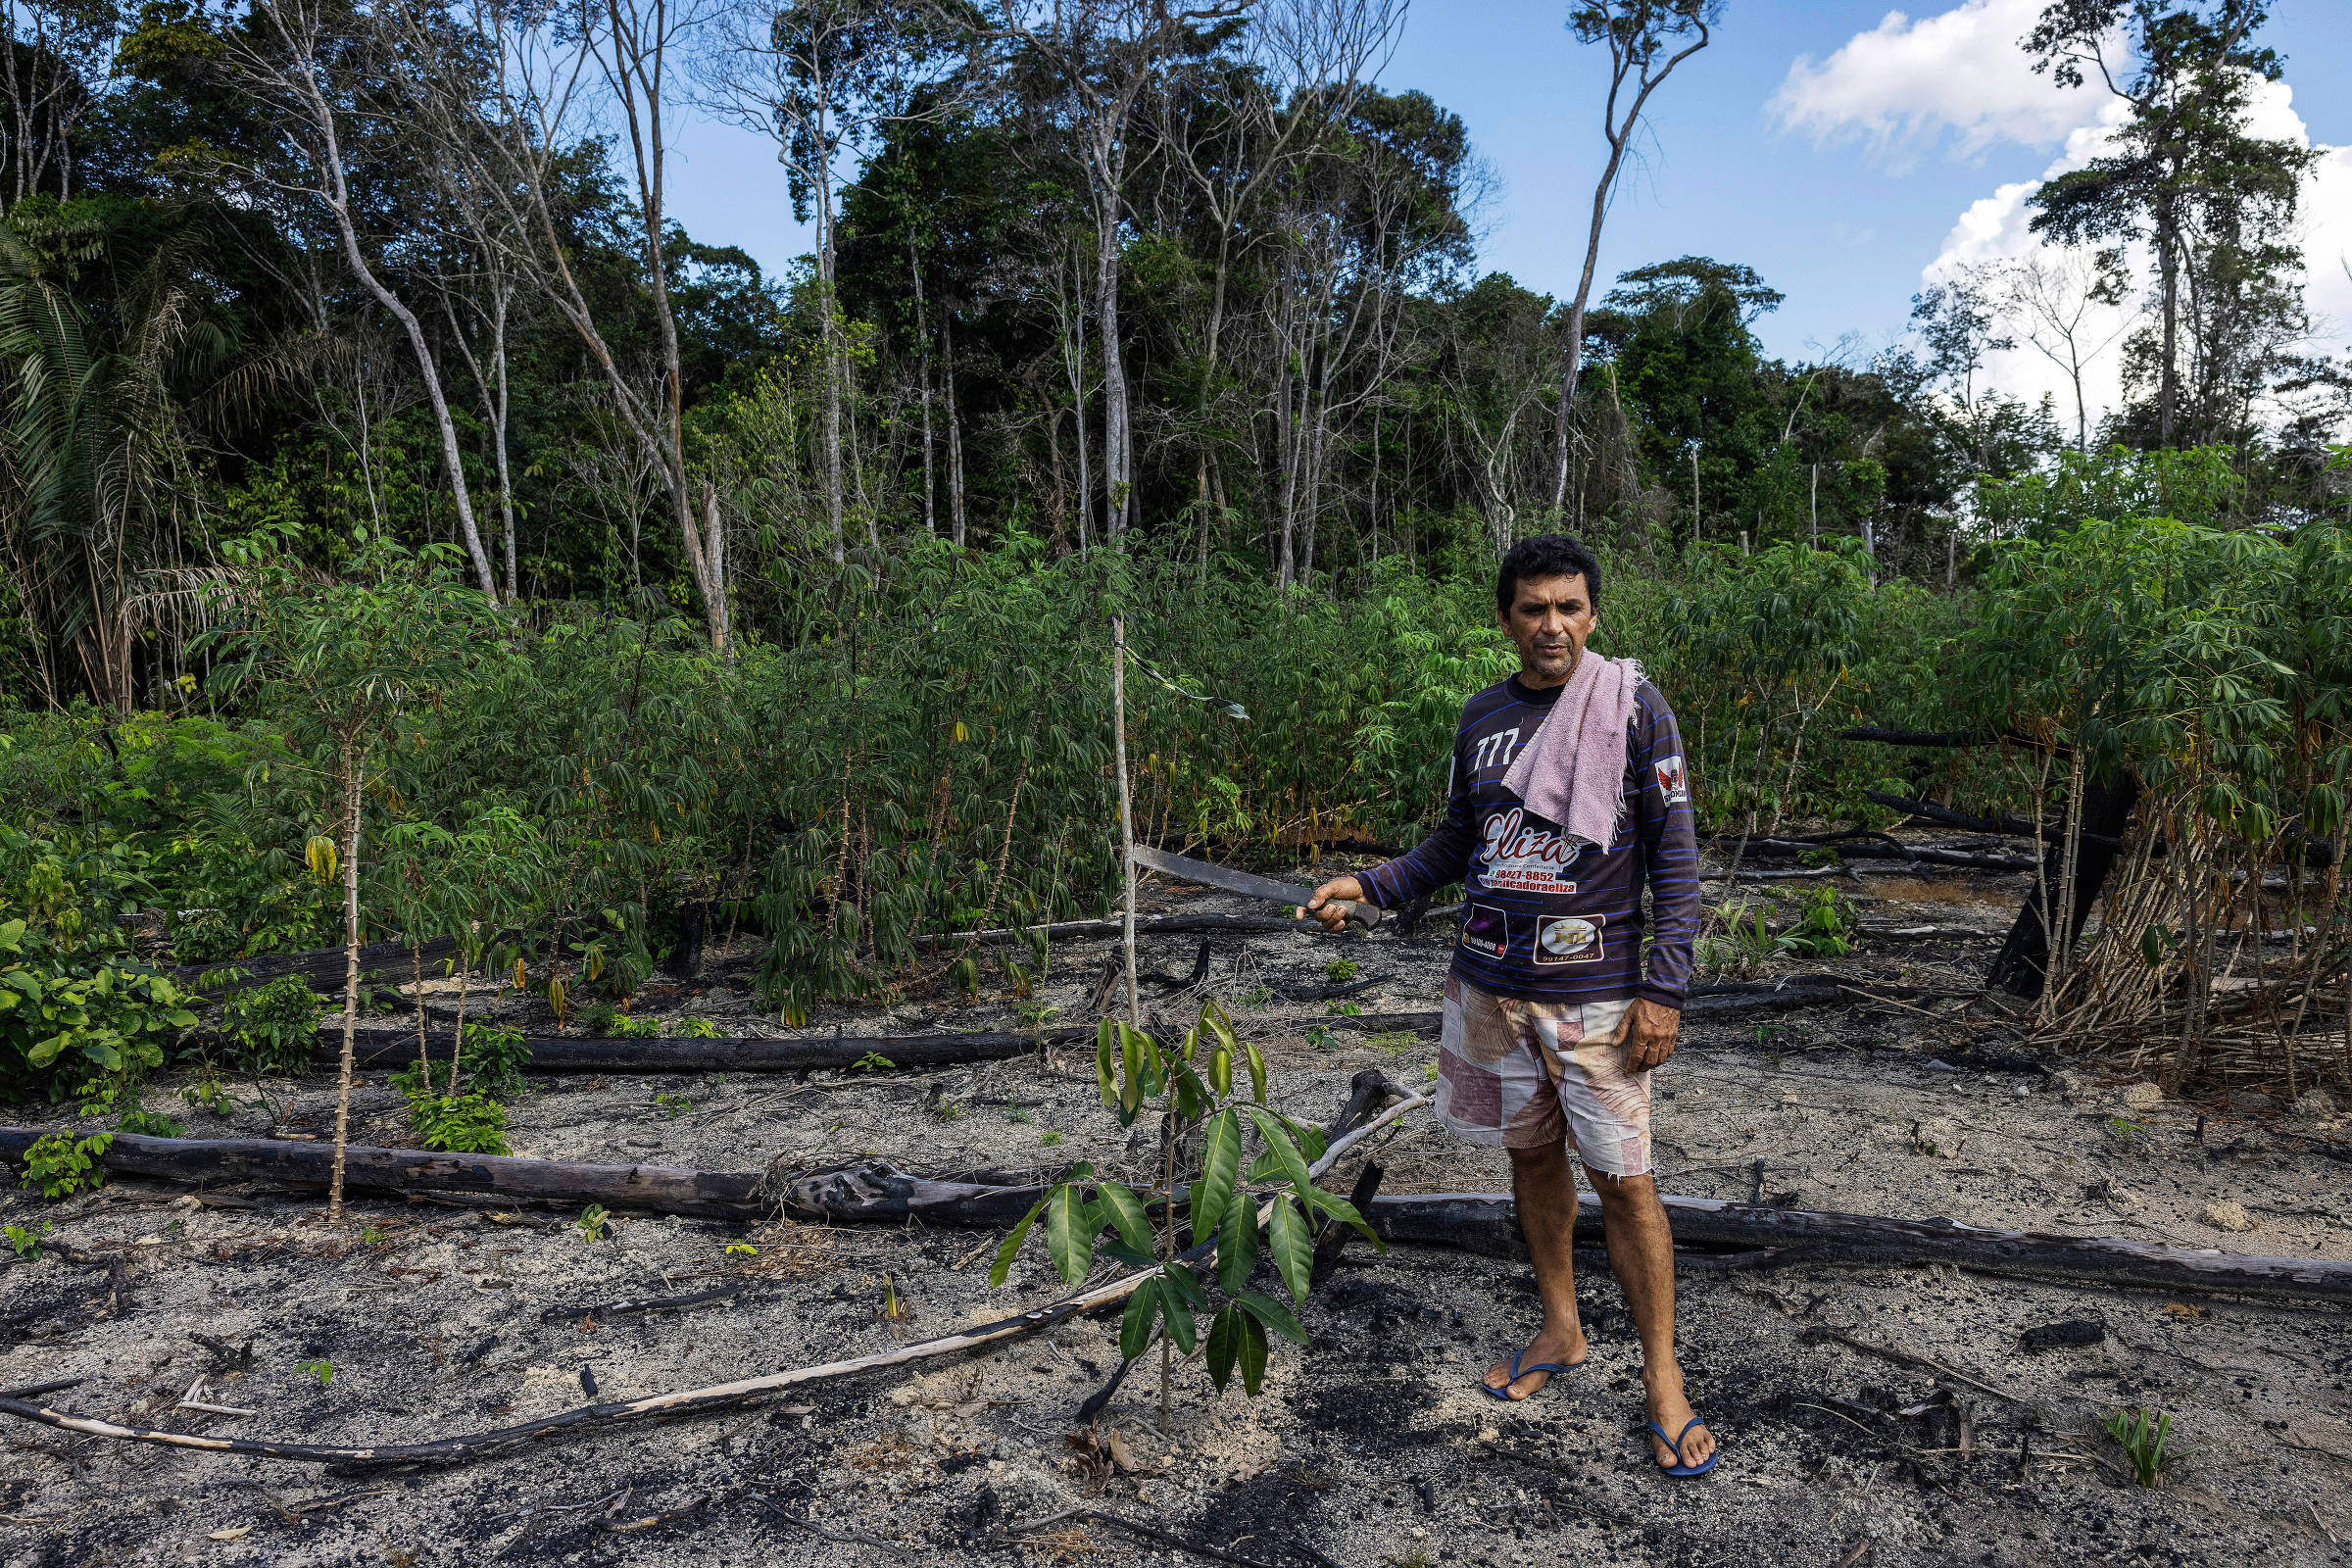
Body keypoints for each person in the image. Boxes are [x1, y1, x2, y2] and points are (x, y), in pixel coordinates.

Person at [1303, 533, 1713, 1477]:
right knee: (1531, 1160)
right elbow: (1456, 842)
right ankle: (1561, 1328)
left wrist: (1664, 987)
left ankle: (1663, 1381)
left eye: (1570, 607)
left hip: (1599, 997)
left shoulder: (1635, 709)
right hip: (1494, 989)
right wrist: (1368, 886)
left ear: (1594, 616)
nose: (1552, 626)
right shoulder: (1482, 717)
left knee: (1626, 1183)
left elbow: (1676, 861)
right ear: (1506, 620)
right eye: (1534, 608)